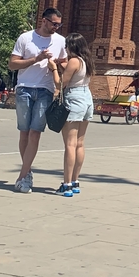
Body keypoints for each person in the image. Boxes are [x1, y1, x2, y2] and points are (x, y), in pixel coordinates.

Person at [8, 8, 67, 194]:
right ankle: (28, 172)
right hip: (24, 88)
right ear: (44, 21)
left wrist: (56, 65)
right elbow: (12, 64)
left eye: (59, 25)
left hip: (45, 90)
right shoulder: (26, 38)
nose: (56, 27)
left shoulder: (60, 41)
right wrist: (37, 59)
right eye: (54, 23)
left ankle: (22, 176)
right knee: (24, 132)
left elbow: (65, 65)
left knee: (35, 133)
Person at [47, 33, 94, 198]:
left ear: (71, 46)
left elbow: (60, 83)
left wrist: (53, 68)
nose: (65, 49)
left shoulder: (74, 61)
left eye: (66, 46)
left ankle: (66, 184)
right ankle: (75, 181)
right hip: (86, 98)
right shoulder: (86, 61)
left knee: (70, 144)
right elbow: (74, 76)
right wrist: (62, 67)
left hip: (75, 98)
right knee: (80, 143)